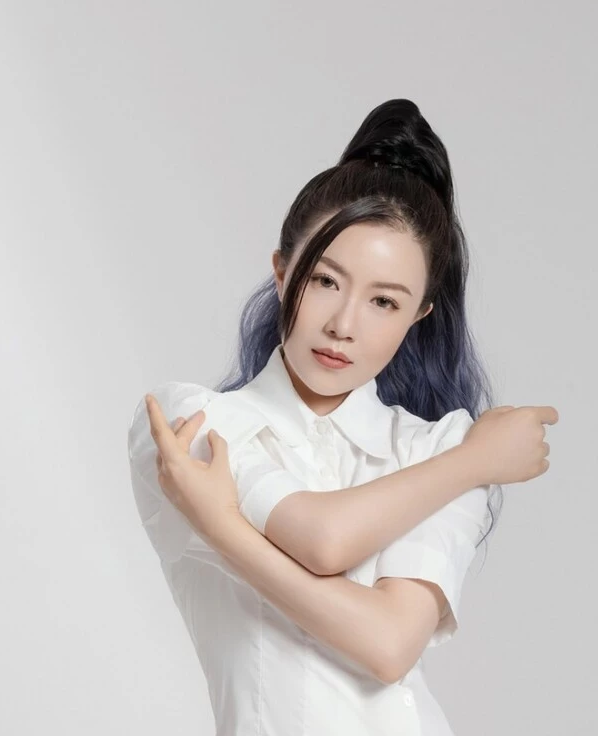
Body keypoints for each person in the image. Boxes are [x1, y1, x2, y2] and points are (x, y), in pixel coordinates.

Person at [127, 98, 558, 735]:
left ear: (419, 316)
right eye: (325, 281)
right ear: (282, 272)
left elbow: (390, 643)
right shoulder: (191, 424)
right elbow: (323, 541)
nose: (344, 324)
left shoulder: (439, 445)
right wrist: (478, 461)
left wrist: (223, 526)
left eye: (384, 301)